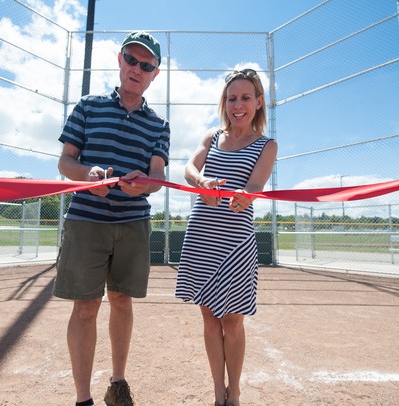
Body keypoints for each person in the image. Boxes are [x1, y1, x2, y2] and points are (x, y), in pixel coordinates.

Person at [54, 31, 170, 406]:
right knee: (86, 305)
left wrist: (146, 186)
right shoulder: (88, 106)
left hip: (132, 222)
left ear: (156, 72)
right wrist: (87, 176)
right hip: (87, 219)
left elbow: (158, 175)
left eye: (146, 65)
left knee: (121, 300)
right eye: (131, 60)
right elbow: (66, 162)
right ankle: (83, 398)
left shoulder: (159, 124)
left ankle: (118, 384)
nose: (137, 68)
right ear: (120, 60)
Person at [175, 68, 277, 406]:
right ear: (225, 102)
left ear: (258, 102)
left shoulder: (267, 145)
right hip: (202, 238)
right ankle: (218, 393)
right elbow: (189, 169)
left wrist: (247, 195)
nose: (238, 105)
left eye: (246, 98)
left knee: (232, 321)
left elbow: (256, 185)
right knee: (208, 317)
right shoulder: (211, 136)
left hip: (236, 244)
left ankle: (235, 392)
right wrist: (200, 182)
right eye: (232, 98)